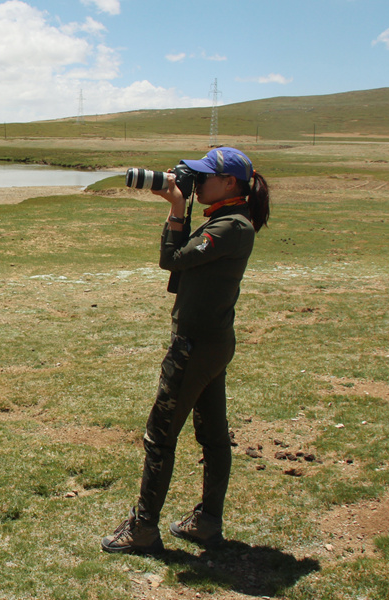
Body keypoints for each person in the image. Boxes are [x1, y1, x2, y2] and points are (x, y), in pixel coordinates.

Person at [101, 146, 270, 554]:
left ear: (229, 183)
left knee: (160, 436)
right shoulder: (227, 220)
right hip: (210, 343)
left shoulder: (230, 227)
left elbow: (171, 260)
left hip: (194, 347)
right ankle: (207, 522)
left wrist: (177, 208)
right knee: (212, 435)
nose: (197, 182)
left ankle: (143, 528)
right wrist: (181, 207)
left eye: (204, 176)